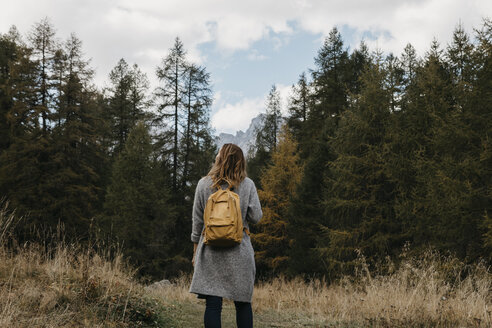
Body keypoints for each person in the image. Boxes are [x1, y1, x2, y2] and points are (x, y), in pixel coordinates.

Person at [189, 143, 263, 328]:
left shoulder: (203, 184)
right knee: (243, 305)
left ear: (220, 159)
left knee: (213, 306)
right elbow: (256, 217)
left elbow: (197, 222)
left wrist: (195, 252)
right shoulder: (247, 184)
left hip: (211, 251)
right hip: (240, 251)